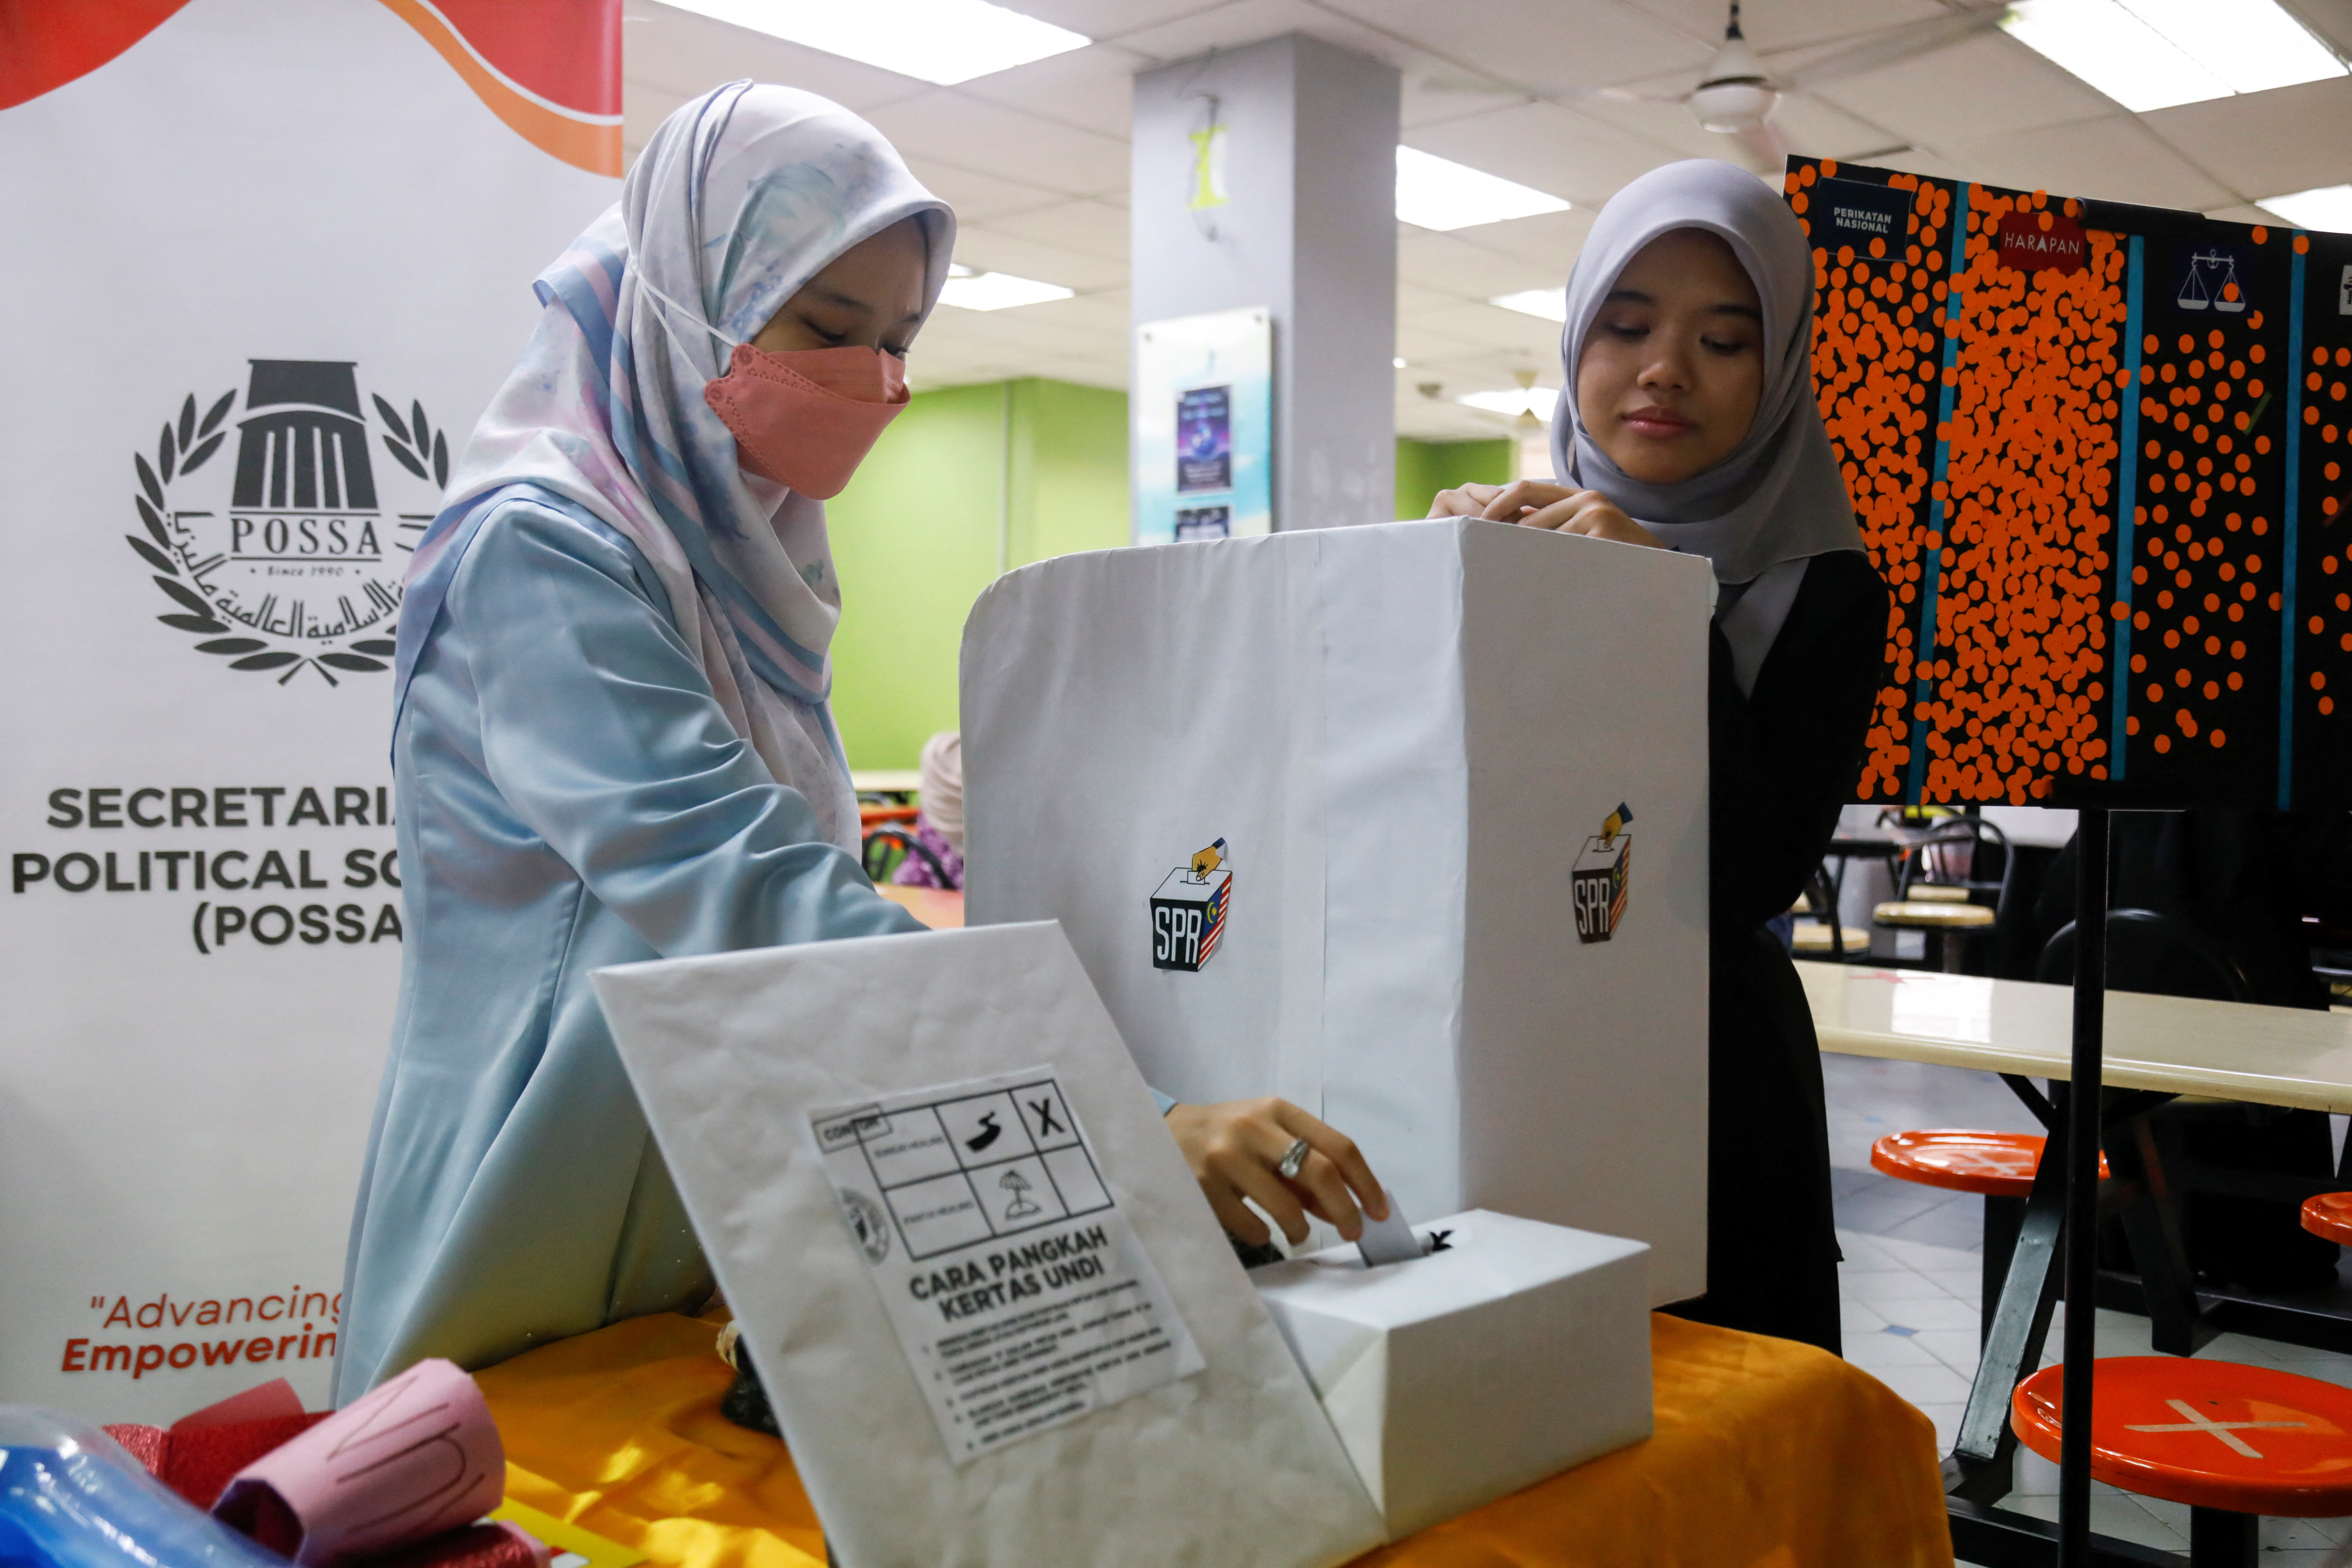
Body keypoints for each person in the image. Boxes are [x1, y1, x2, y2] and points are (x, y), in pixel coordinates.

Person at [335, 83, 1382, 1404]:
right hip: (533, 1177)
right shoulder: (542, 550)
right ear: (680, 296)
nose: (872, 382)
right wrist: (1125, 1112)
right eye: (828, 328)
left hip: (697, 1181)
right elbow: (747, 884)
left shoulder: (742, 563)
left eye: (897, 340)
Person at [1426, 159, 1888, 1354]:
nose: (1664, 368)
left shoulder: (1820, 590)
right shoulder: (1508, 544)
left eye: (1724, 340)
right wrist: (1421, 596)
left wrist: (1655, 606)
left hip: (1710, 1093)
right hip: (1507, 1062)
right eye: (1625, 325)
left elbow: (1739, 876)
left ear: (1777, 367)